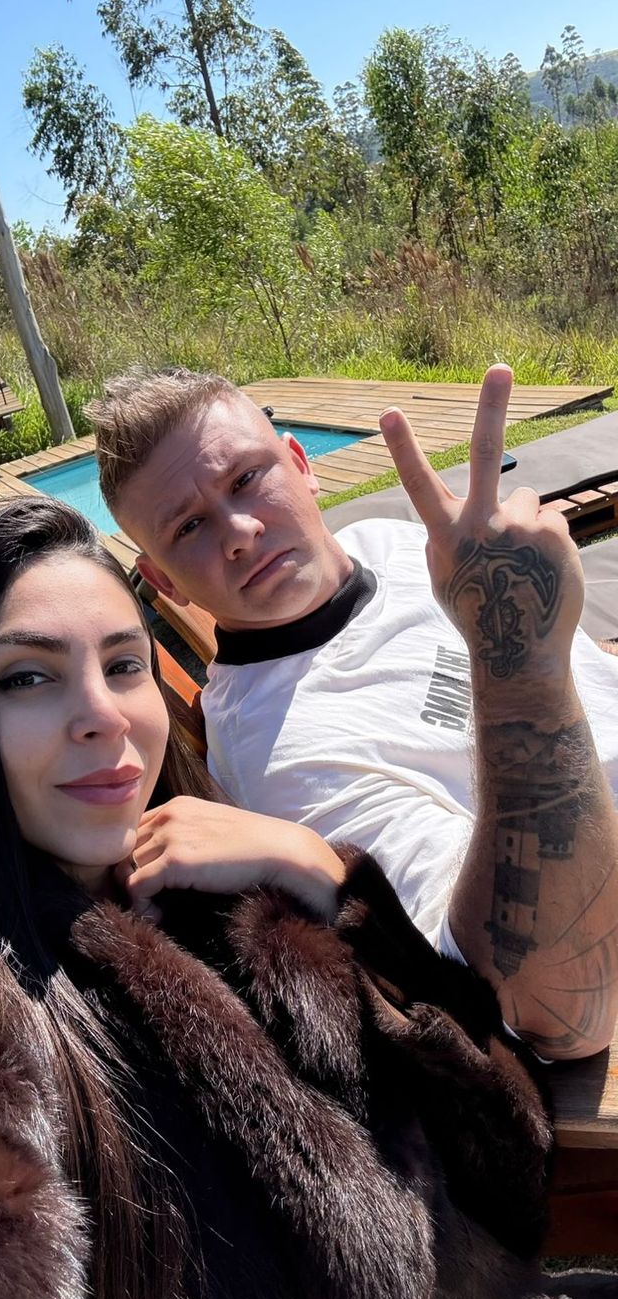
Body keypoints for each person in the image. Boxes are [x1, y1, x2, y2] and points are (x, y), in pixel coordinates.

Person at [0, 495, 617, 1299]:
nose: (104, 715)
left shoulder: (212, 896)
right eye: (27, 678)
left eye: (124, 664)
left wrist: (333, 882)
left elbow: (504, 1152)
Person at [91, 364, 618, 1061]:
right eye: (189, 526)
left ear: (301, 463)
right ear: (163, 580)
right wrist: (520, 657)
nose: (240, 531)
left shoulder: (385, 541)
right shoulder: (282, 758)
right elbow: (555, 1010)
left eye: (246, 479)